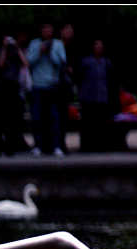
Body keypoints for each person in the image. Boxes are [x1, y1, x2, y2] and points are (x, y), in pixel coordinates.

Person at [27, 21, 67, 156]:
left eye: (49, 29)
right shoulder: (34, 44)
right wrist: (40, 52)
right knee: (37, 118)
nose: (47, 31)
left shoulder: (58, 44)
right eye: (44, 28)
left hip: (52, 85)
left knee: (54, 117)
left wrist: (50, 53)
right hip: (38, 85)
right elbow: (28, 62)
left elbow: (61, 63)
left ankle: (56, 146)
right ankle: (38, 146)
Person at [0, 32, 28, 156]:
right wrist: (5, 48)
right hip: (0, 89)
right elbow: (0, 64)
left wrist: (17, 48)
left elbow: (25, 64)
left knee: (12, 121)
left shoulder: (16, 51)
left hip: (14, 89)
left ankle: (11, 147)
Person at [78, 39, 117, 152]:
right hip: (88, 97)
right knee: (88, 123)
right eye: (97, 46)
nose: (99, 48)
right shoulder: (86, 62)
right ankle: (86, 146)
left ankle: (101, 146)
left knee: (101, 123)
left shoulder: (106, 62)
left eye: (101, 46)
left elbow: (110, 80)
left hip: (102, 97)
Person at [57, 22, 76, 153]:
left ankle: (61, 142)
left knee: (64, 116)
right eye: (68, 30)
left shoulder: (72, 48)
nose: (70, 32)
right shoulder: (56, 46)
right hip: (54, 85)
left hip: (66, 86)